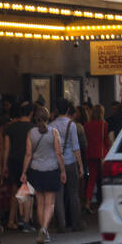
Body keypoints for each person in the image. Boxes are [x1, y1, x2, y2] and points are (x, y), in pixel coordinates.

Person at [20, 107, 66, 244]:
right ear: (48, 117)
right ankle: (45, 229)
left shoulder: (31, 133)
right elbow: (58, 153)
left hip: (35, 171)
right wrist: (63, 170)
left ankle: (42, 229)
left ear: (35, 118)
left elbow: (28, 154)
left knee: (39, 203)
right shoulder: (53, 132)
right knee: (49, 203)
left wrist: (24, 172)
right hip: (51, 170)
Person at [51, 98, 83, 232]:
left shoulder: (51, 125)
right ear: (68, 110)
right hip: (70, 162)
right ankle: (76, 223)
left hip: (57, 163)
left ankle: (62, 224)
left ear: (56, 110)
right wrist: (80, 165)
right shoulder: (72, 125)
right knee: (73, 193)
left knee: (58, 194)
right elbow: (76, 146)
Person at [2, 101, 34, 231]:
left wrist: (4, 165)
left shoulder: (10, 128)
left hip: (13, 161)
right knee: (27, 191)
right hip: (28, 162)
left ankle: (11, 220)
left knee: (15, 191)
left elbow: (6, 148)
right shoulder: (33, 128)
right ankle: (25, 221)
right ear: (31, 113)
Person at [84, 104, 108, 210]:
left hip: (90, 153)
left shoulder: (87, 124)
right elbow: (106, 140)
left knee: (91, 180)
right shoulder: (104, 124)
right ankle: (103, 201)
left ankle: (88, 203)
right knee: (103, 179)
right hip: (102, 154)